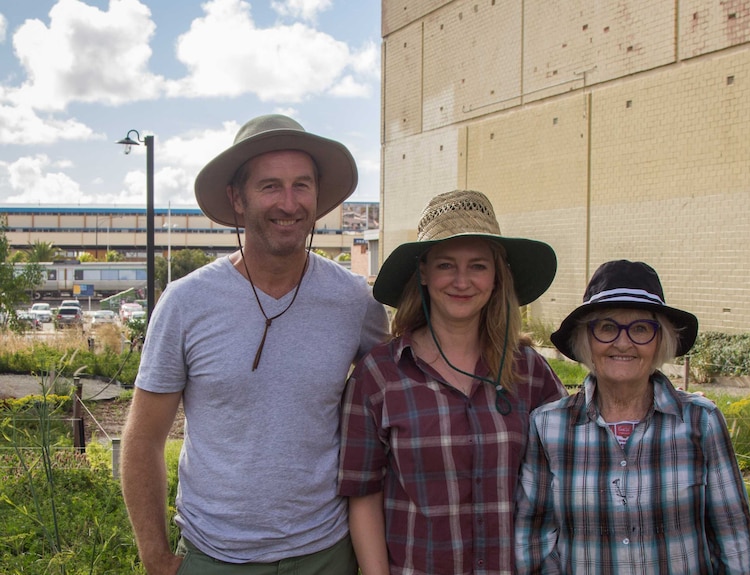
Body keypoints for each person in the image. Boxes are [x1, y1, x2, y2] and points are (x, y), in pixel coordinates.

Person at [121, 114, 390, 575]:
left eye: (301, 185)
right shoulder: (187, 303)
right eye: (270, 186)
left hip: (328, 552)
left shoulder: (353, 301)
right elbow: (144, 440)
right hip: (216, 556)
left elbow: (396, 401)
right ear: (236, 198)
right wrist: (157, 559)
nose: (289, 203)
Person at [338, 189, 568, 575]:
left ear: (497, 276)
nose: (462, 281)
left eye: (478, 266)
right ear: (424, 273)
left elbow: (569, 469)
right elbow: (363, 494)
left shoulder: (528, 372)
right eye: (446, 265)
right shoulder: (380, 375)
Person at [514, 260, 750, 574]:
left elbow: (734, 544)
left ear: (661, 340)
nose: (623, 342)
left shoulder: (702, 422)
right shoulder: (549, 428)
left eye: (641, 328)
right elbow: (533, 545)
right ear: (586, 339)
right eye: (606, 327)